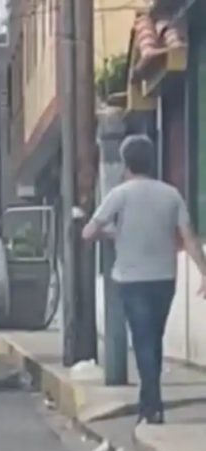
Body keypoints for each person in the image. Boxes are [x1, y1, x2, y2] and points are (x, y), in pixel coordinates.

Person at [83, 134, 206, 425]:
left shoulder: (119, 194)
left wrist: (114, 233)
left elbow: (88, 232)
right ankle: (149, 403)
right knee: (154, 339)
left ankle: (152, 405)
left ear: (126, 164)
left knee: (143, 341)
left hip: (131, 279)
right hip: (164, 278)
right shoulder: (171, 194)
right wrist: (203, 271)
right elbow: (189, 237)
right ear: (152, 162)